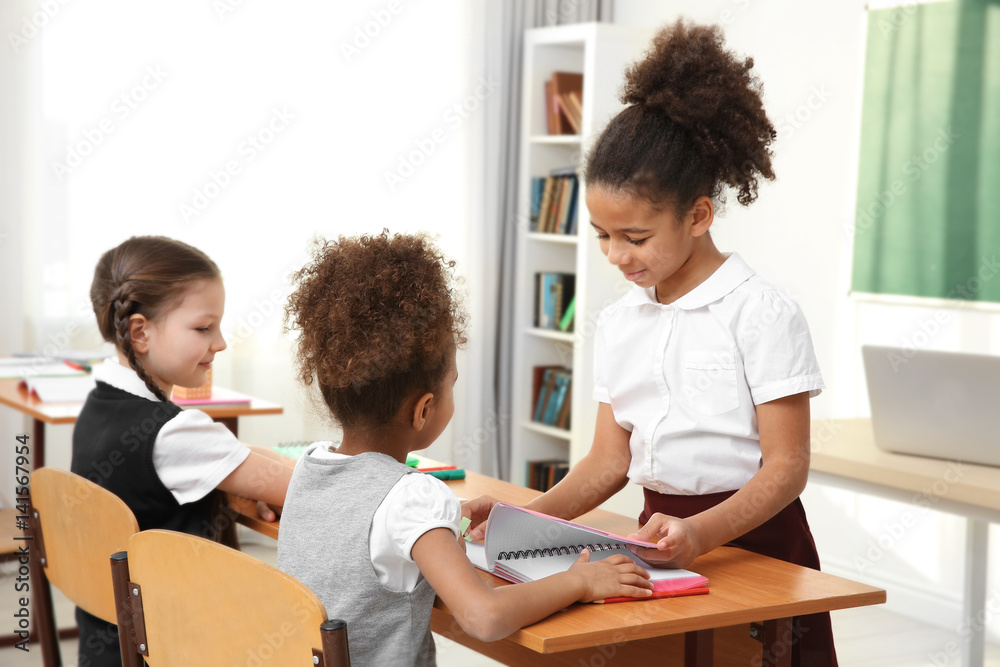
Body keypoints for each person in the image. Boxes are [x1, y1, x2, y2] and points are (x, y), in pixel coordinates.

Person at [469, 20, 836, 666]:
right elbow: (609, 462)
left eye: (634, 238)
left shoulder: (760, 311)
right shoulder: (620, 322)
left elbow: (786, 467)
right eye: (602, 234)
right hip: (660, 543)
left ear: (698, 215)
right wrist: (516, 521)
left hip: (757, 544)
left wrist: (701, 531)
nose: (615, 255)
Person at [276, 231, 653, 667]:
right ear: (423, 410)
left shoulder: (309, 466)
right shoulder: (414, 497)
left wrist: (446, 521)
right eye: (451, 384)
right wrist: (580, 582)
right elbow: (484, 617)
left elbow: (367, 517)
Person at [71, 235, 294, 667]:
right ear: (141, 332)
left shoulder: (99, 406)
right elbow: (303, 491)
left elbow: (229, 457)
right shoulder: (175, 433)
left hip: (112, 643)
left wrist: (244, 472)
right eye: (203, 327)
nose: (222, 343)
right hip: (182, 646)